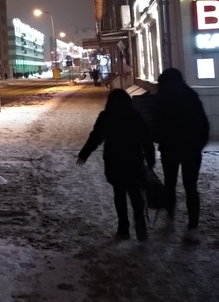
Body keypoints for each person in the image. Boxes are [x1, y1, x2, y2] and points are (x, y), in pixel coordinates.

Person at [77, 89, 155, 241]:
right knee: (135, 194)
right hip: (134, 160)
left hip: (114, 161)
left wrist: (84, 154)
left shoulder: (106, 116)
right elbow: (146, 137)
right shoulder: (135, 115)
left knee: (119, 194)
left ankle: (123, 228)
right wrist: (150, 158)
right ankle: (140, 224)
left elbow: (96, 137)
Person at [154, 68, 210, 243]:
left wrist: (158, 139)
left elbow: (157, 125)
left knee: (170, 183)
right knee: (190, 187)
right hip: (191, 150)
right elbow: (204, 125)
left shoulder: (163, 100)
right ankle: (193, 226)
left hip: (171, 148)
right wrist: (198, 144)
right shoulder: (191, 96)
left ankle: (170, 214)